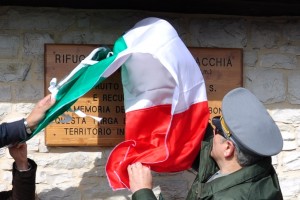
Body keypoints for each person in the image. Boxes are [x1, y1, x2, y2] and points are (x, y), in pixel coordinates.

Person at [127, 87, 284, 200]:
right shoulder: (256, 168)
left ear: (228, 148)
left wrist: (142, 191)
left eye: (217, 127)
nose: (213, 128)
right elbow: (207, 140)